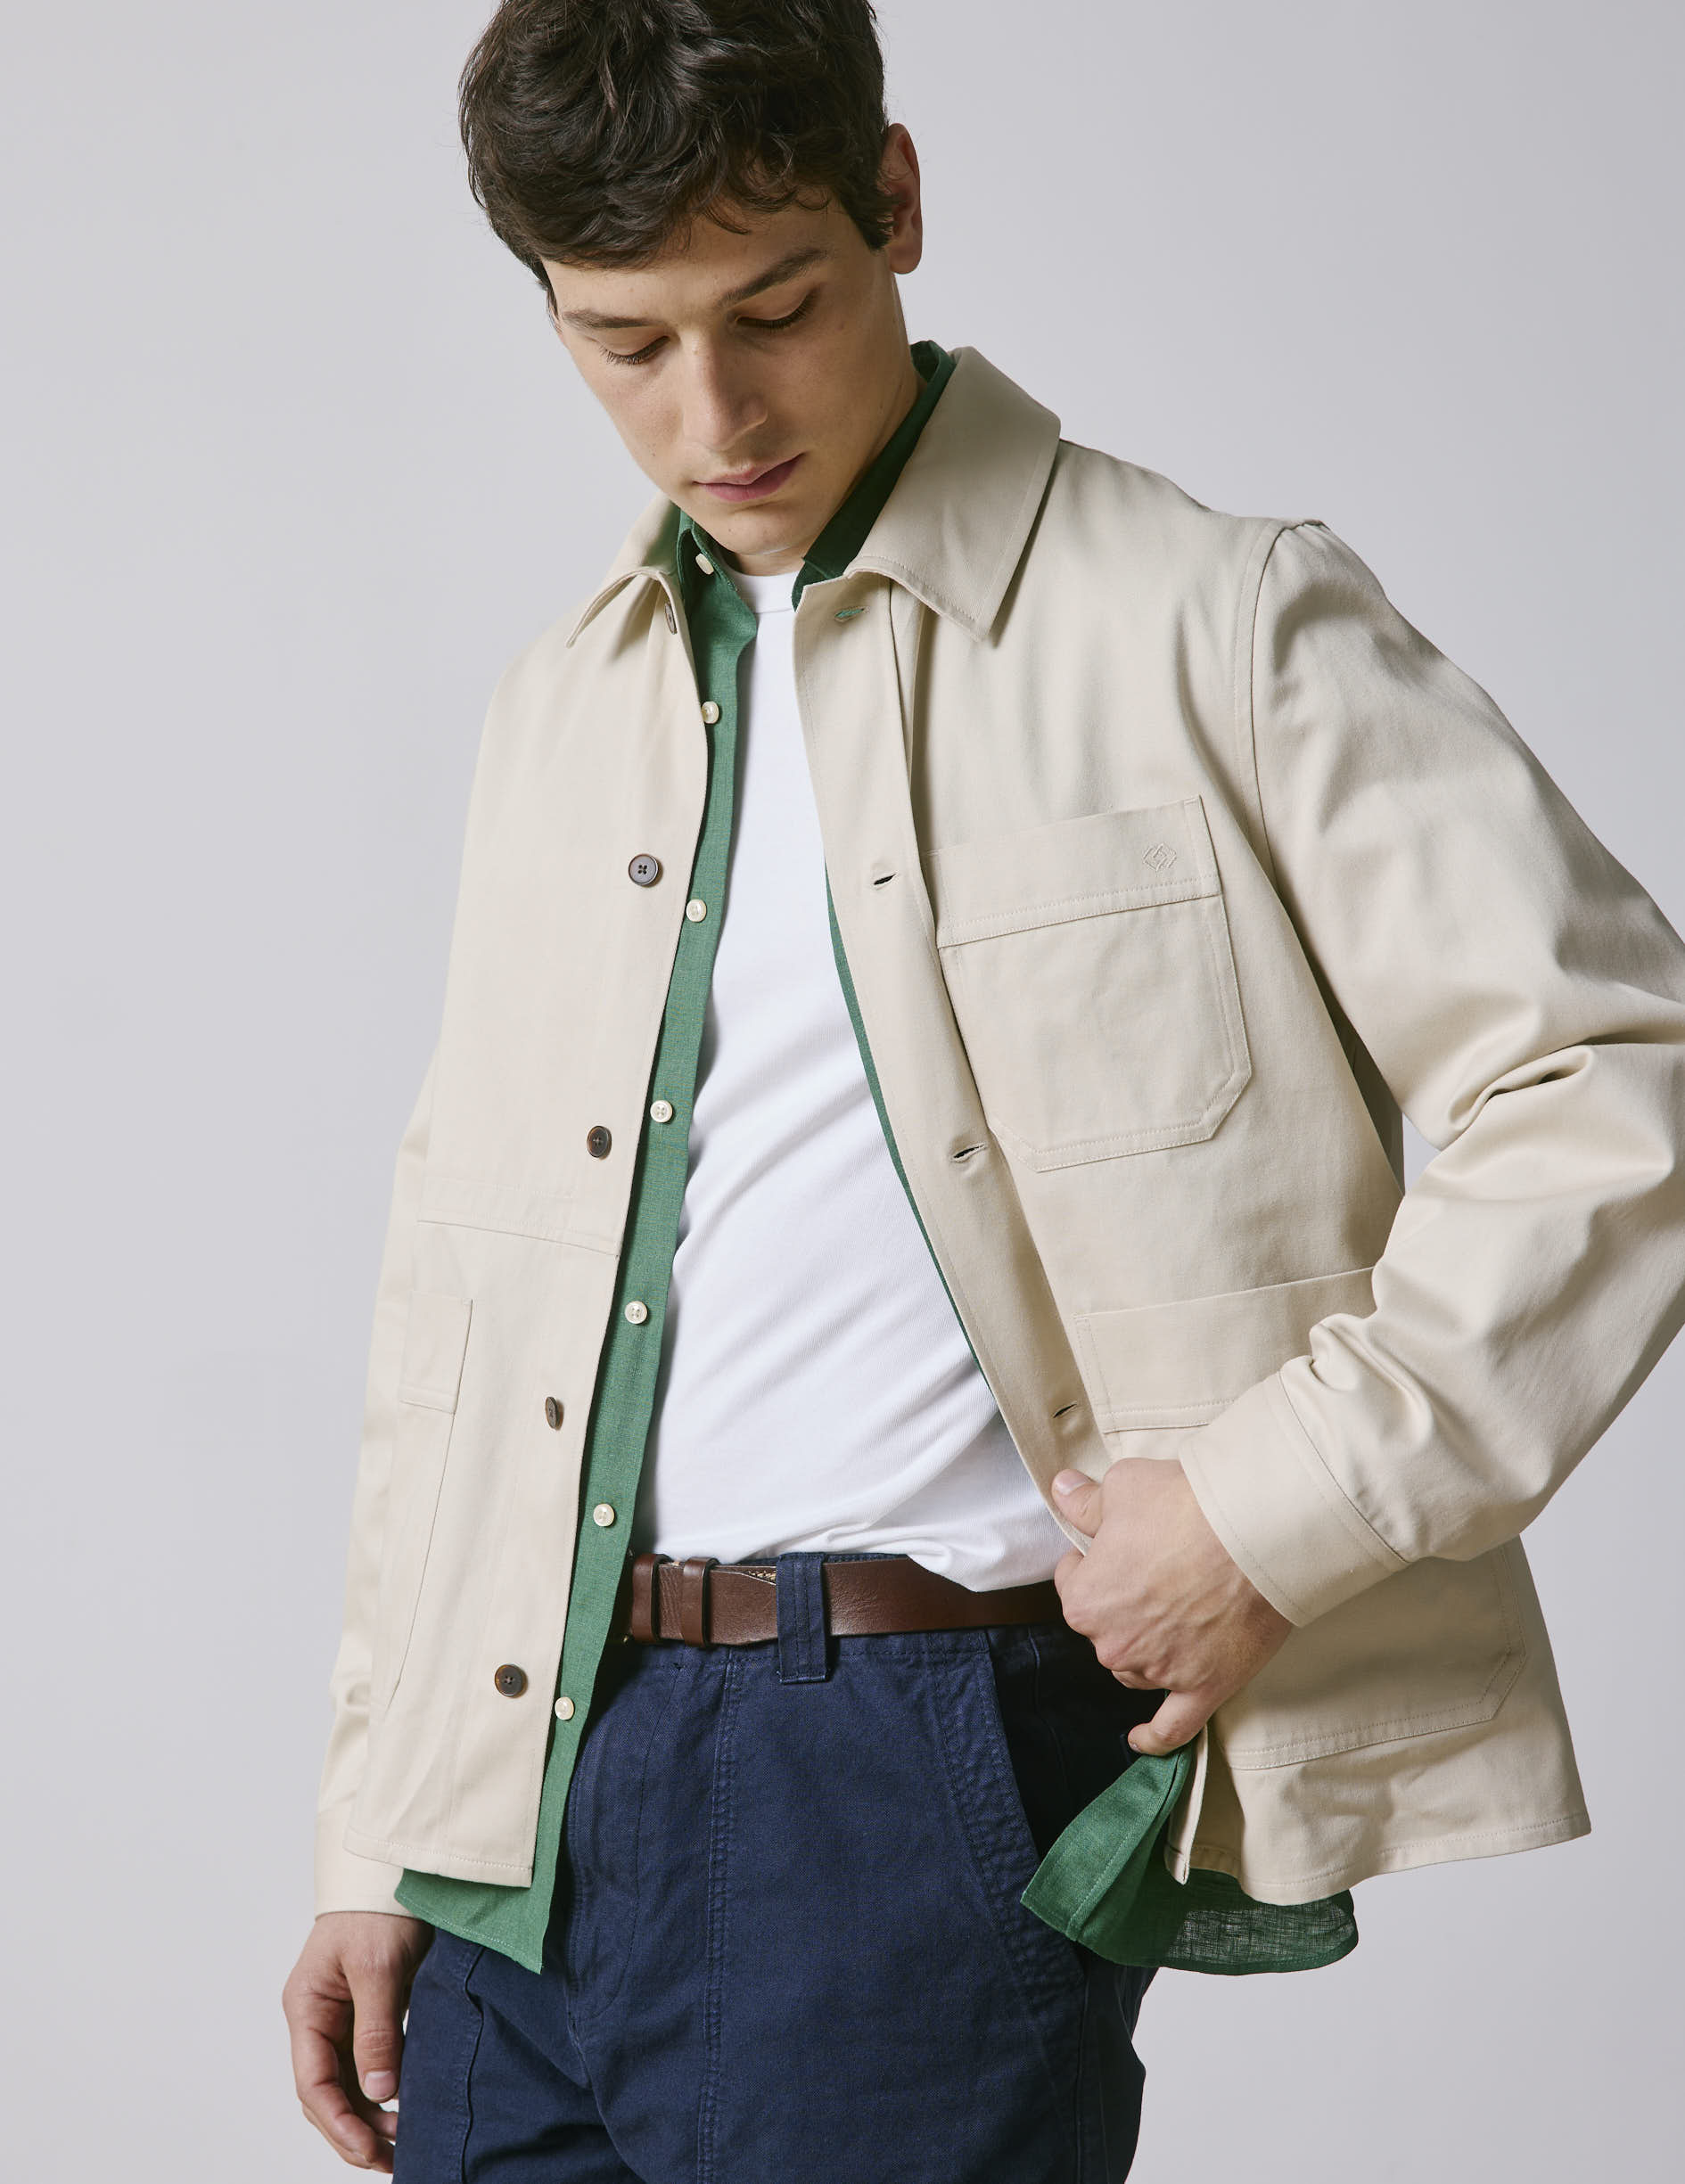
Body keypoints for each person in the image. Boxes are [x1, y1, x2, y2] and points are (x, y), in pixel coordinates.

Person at [281, 3, 1685, 2177]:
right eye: (623, 342)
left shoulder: (1213, 618)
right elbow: (461, 1296)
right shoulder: (565, 705)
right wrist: (383, 1816)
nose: (712, 414)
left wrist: (1272, 1508)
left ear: (897, 201)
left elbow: (1611, 1083)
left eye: (774, 310)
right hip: (523, 1792)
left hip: (897, 1766)